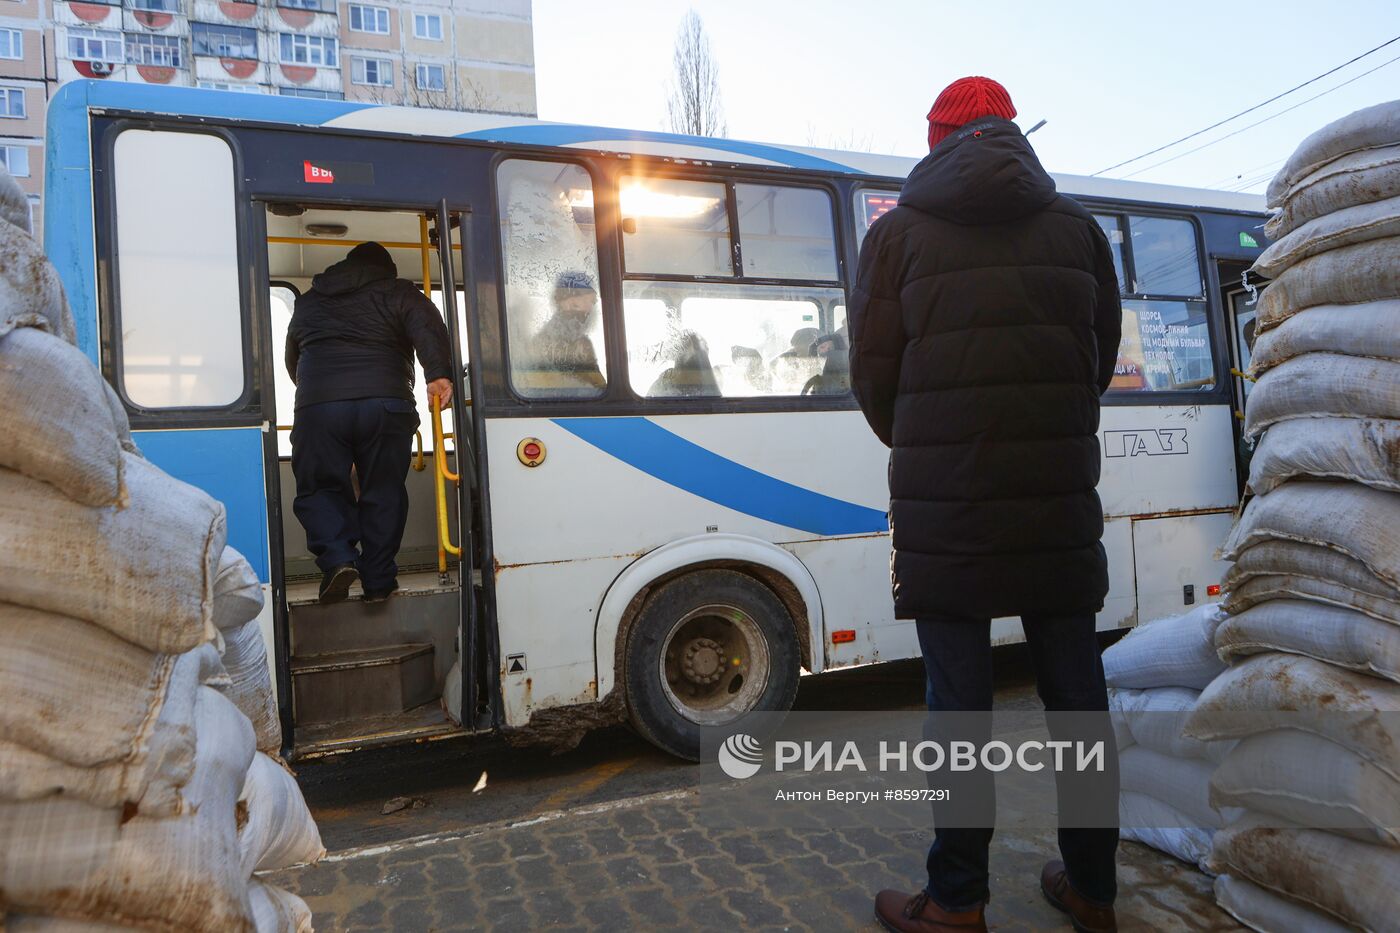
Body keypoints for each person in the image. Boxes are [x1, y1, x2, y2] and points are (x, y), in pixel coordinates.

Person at [850, 77, 1123, 932]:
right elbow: (1097, 359)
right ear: (1012, 134)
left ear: (936, 139)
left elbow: (873, 375)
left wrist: (929, 441)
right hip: (1056, 501)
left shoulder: (895, 236)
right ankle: (1093, 888)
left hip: (947, 504)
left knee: (958, 703)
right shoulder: (1078, 230)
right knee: (1078, 697)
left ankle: (958, 901)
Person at [285, 241, 453, 605]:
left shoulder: (310, 300)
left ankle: (338, 560)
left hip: (319, 406)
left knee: (320, 488)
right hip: (386, 404)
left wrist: (320, 396)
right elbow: (428, 327)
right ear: (386, 270)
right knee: (383, 490)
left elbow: (292, 357)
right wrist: (438, 375)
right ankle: (378, 580)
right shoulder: (398, 291)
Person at [524, 271, 606, 396]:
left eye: (593, 302)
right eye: (589, 301)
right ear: (570, 302)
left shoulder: (581, 342)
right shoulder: (542, 343)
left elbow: (599, 388)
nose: (591, 309)